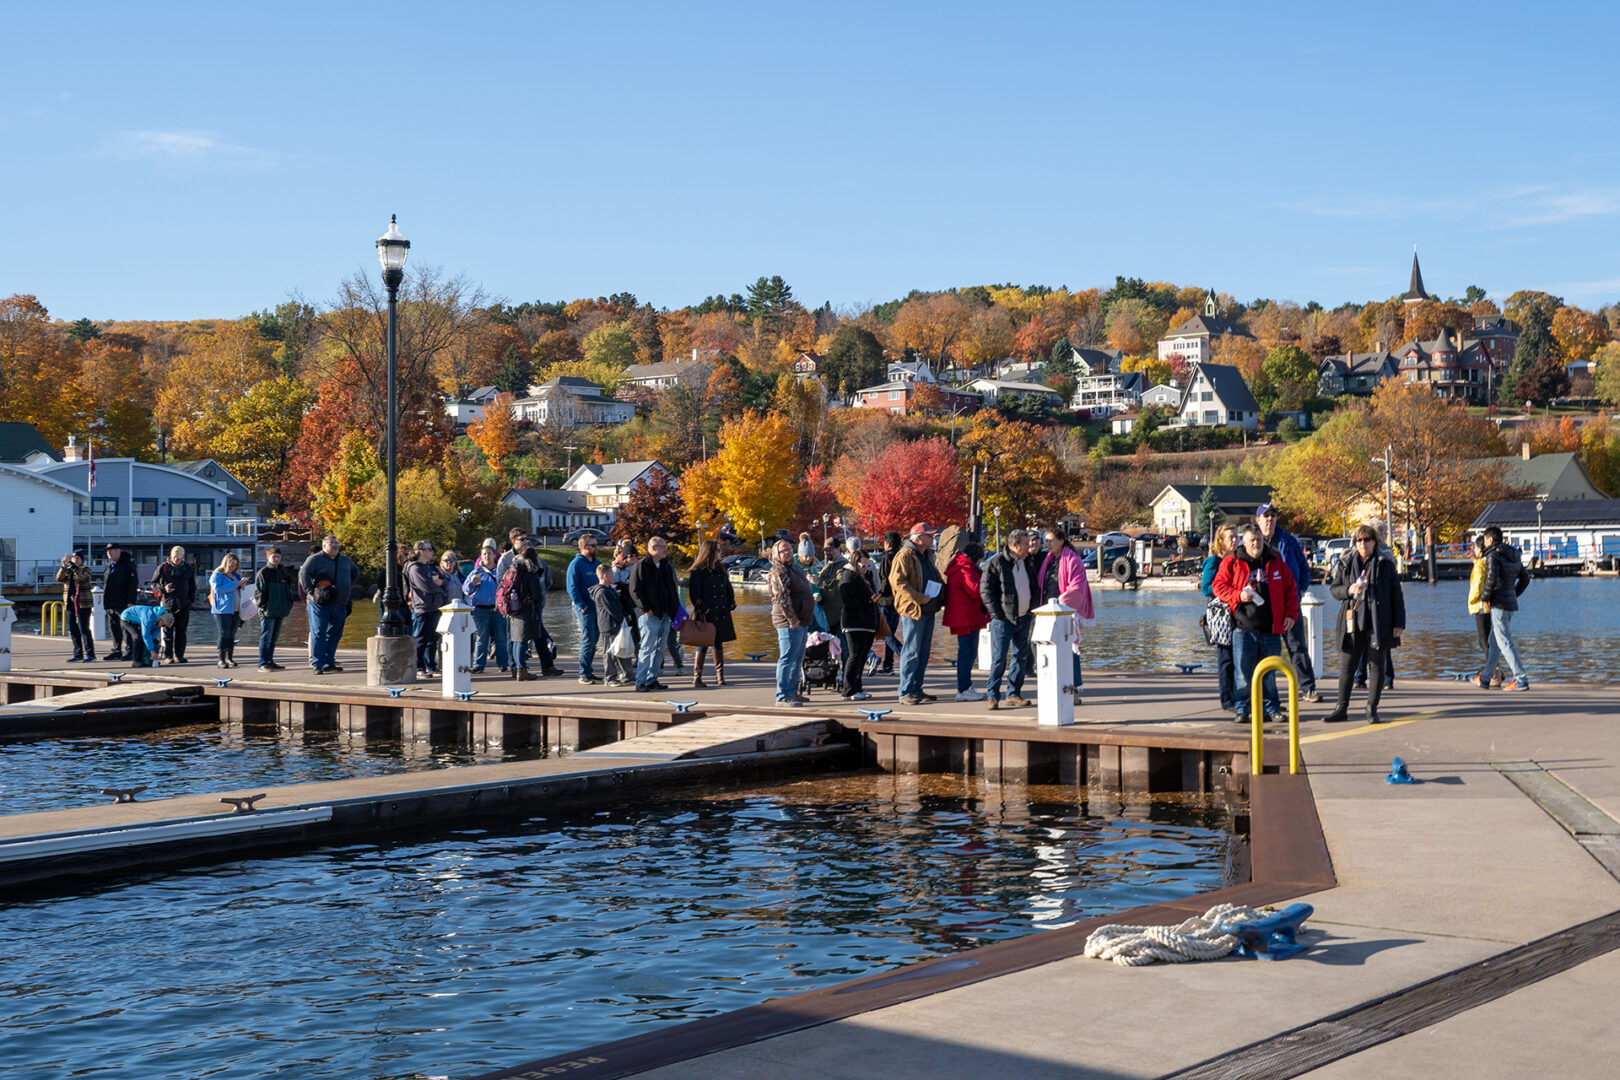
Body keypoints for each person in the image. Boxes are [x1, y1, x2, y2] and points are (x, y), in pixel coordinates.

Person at [1214, 523, 1300, 724]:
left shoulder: (1276, 561)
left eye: (1259, 540)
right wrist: (1237, 596)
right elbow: (1218, 586)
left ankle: (1270, 708)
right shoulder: (1232, 562)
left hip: (1271, 628)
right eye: (1252, 540)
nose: (1256, 544)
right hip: (1244, 629)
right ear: (1244, 542)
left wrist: (1290, 615)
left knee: (1269, 674)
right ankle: (1243, 709)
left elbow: (1291, 590)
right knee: (1243, 673)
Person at [1322, 524, 1406, 723]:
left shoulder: (1385, 563)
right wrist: (1348, 590)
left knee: (1376, 666)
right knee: (1347, 667)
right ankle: (1341, 709)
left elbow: (1397, 595)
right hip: (1353, 621)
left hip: (1379, 622)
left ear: (1374, 542)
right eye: (1359, 540)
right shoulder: (1345, 563)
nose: (1362, 544)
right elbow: (1334, 589)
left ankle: (1371, 709)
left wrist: (1399, 623)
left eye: (1367, 540)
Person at [1256, 503, 1320, 702]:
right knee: (1265, 651)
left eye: (1272, 516)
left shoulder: (1288, 541)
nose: (1269, 520)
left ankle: (1308, 688)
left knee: (1297, 646)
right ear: (1257, 520)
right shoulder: (1252, 542)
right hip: (1263, 607)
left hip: (1288, 604)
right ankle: (1266, 695)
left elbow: (1304, 568)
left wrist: (1300, 591)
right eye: (1265, 516)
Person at [980, 528, 1039, 710]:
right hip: (1004, 619)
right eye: (1026, 544)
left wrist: (1032, 607)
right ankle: (993, 695)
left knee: (1020, 656)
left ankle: (1013, 693)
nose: (1029, 548)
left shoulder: (1026, 562)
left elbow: (1033, 585)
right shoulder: (996, 563)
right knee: (999, 658)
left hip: (1024, 617)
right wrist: (998, 614)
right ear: (1015, 545)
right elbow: (986, 591)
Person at [1470, 525, 1531, 691]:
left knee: (1504, 642)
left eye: (1485, 539)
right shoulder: (1513, 555)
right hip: (1509, 603)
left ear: (1490, 539)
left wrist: (1485, 598)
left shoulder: (1493, 555)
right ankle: (1485, 678)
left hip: (1498, 603)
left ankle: (1520, 678)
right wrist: (1513, 594)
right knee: (1494, 642)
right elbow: (1525, 579)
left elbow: (1491, 579)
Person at [889, 522, 943, 706]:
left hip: (927, 610)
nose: (932, 538)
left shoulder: (925, 554)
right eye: (929, 535)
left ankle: (916, 689)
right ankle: (905, 692)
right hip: (914, 610)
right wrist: (919, 598)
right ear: (918, 537)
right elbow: (897, 582)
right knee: (911, 652)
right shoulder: (905, 554)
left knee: (923, 652)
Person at [1039, 527, 1095, 700]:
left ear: (1061, 540)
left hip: (1065, 612)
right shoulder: (1048, 560)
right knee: (1049, 650)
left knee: (1070, 651)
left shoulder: (1073, 560)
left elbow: (1077, 586)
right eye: (1045, 540)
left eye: (1050, 540)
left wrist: (1061, 602)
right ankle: (1055, 688)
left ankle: (1074, 690)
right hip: (1049, 612)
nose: (1047, 543)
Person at [939, 528, 988, 702]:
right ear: (976, 557)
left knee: (966, 652)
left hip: (963, 615)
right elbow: (975, 590)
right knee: (967, 653)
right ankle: (964, 688)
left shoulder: (959, 565)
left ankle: (965, 687)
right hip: (966, 616)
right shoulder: (966, 567)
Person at [299, 535, 358, 675]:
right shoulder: (315, 559)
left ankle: (328, 662)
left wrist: (347, 585)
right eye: (331, 543)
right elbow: (303, 573)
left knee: (335, 634)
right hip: (319, 603)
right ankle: (317, 664)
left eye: (336, 543)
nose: (335, 545)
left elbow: (355, 572)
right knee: (318, 632)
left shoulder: (345, 560)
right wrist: (311, 592)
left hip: (340, 603)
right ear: (324, 546)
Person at [628, 535, 680, 692]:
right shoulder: (641, 566)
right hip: (649, 614)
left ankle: (652, 678)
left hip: (665, 613)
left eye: (665, 546)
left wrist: (674, 609)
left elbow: (672, 589)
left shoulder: (666, 566)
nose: (665, 550)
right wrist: (646, 609)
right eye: (663, 546)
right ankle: (640, 681)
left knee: (659, 649)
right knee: (647, 648)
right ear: (653, 548)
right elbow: (634, 590)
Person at [768, 537, 814, 705]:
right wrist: (792, 618)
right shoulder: (778, 571)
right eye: (783, 550)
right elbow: (782, 597)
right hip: (788, 622)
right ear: (776, 554)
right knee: (787, 658)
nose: (787, 552)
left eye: (789, 549)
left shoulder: (794, 568)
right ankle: (782, 695)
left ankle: (793, 692)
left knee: (797, 658)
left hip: (802, 620)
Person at [686, 539, 736, 688]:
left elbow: (728, 587)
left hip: (721, 611)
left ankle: (720, 677)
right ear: (710, 552)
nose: (720, 553)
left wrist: (731, 602)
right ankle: (697, 677)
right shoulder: (698, 571)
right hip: (706, 614)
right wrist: (704, 609)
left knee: (718, 642)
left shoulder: (721, 568)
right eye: (718, 550)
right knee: (702, 643)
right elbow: (695, 595)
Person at [1200, 523, 1239, 714]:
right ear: (1221, 541)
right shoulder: (1213, 561)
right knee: (1226, 659)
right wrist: (1225, 589)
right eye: (1230, 537)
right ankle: (1227, 700)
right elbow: (1206, 588)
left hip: (1239, 613)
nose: (1235, 540)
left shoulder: (1240, 559)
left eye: (1236, 536)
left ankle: (1242, 696)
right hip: (1222, 615)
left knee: (1243, 657)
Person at [837, 546, 880, 701]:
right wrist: (869, 600)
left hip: (867, 622)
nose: (866, 568)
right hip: (854, 622)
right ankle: (848, 690)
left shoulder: (866, 576)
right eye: (863, 565)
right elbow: (847, 600)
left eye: (868, 565)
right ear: (855, 563)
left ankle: (858, 687)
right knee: (854, 656)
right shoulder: (848, 576)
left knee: (862, 657)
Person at [505, 546, 552, 680]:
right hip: (526, 610)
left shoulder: (513, 569)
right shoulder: (530, 572)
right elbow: (537, 595)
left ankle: (518, 668)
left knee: (516, 640)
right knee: (523, 640)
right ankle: (522, 670)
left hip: (513, 608)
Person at [462, 540, 509, 674]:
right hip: (480, 609)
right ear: (481, 556)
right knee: (481, 639)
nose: (487, 556)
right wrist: (472, 584)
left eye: (489, 554)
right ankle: (478, 665)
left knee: (501, 638)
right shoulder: (476, 572)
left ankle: (503, 663)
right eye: (484, 554)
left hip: (497, 608)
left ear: (494, 555)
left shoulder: (500, 572)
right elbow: (465, 589)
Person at [404, 540, 448, 678]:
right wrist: (440, 589)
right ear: (421, 551)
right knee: (421, 638)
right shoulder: (415, 568)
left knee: (432, 638)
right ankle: (418, 667)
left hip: (435, 606)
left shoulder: (430, 567)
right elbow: (426, 586)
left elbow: (444, 580)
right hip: (422, 608)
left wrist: (441, 584)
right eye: (429, 549)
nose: (432, 552)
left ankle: (431, 666)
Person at [149, 545, 197, 665]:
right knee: (167, 632)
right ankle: (168, 656)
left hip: (184, 604)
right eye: (174, 557)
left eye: (179, 557)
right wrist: (164, 589)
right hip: (168, 604)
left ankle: (179, 656)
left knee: (181, 632)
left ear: (183, 557)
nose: (176, 559)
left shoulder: (188, 568)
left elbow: (192, 585)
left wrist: (191, 599)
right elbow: (153, 583)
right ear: (171, 556)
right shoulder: (163, 567)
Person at [566, 533, 603, 684]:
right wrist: (581, 605)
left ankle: (589, 670)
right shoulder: (576, 564)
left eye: (596, 544)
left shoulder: (596, 563)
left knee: (595, 639)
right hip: (585, 609)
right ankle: (583, 673)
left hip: (598, 608)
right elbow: (571, 587)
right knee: (588, 639)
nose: (596, 547)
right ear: (583, 547)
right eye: (592, 545)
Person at [253, 546, 297, 671]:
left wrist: (289, 605)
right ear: (268, 557)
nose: (276, 559)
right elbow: (259, 592)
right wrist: (263, 607)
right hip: (268, 610)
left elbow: (288, 591)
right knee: (266, 637)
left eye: (278, 556)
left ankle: (270, 660)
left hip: (280, 610)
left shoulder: (282, 572)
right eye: (274, 556)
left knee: (273, 638)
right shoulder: (263, 572)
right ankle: (263, 662)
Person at [1465, 534, 1501, 687]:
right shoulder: (1490, 562)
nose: (1474, 549)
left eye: (1475, 547)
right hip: (1490, 605)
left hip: (1480, 606)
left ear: (1481, 548)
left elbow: (1477, 586)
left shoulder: (1480, 565)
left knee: (1483, 640)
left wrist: (1472, 600)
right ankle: (1496, 669)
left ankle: (1494, 671)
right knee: (1490, 639)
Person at [592, 563, 634, 686]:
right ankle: (609, 678)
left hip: (616, 624)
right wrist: (623, 616)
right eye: (611, 574)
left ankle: (628, 674)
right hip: (609, 626)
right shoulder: (602, 592)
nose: (613, 576)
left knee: (622, 649)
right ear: (605, 576)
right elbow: (612, 609)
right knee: (610, 652)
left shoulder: (610, 589)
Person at [55, 551, 96, 662]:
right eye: (73, 558)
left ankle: (90, 654)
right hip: (69, 602)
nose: (75, 560)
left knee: (84, 628)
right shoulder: (68, 570)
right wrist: (64, 567)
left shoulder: (86, 569)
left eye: (77, 558)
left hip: (83, 603)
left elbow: (84, 578)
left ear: (82, 560)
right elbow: (59, 578)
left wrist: (73, 567)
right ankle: (78, 654)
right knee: (73, 629)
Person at [102, 542, 138, 661]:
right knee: (113, 627)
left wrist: (131, 601)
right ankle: (116, 650)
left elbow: (133, 583)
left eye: (111, 550)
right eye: (107, 550)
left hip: (123, 601)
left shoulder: (127, 564)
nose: (109, 552)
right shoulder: (109, 564)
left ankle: (130, 651)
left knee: (126, 627)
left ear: (119, 551)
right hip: (110, 601)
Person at [208, 552, 243, 669]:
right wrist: (235, 584)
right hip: (222, 609)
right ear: (226, 563)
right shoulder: (217, 575)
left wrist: (241, 585)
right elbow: (218, 589)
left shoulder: (236, 576)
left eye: (235, 565)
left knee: (232, 634)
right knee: (224, 633)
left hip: (236, 609)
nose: (233, 567)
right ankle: (221, 659)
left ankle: (230, 657)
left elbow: (237, 588)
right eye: (232, 565)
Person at [875, 531, 903, 674]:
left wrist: (879, 593)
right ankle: (888, 665)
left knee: (885, 633)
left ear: (888, 544)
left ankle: (903, 654)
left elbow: (885, 579)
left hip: (886, 600)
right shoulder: (901, 557)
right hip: (897, 600)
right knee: (890, 632)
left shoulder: (887, 557)